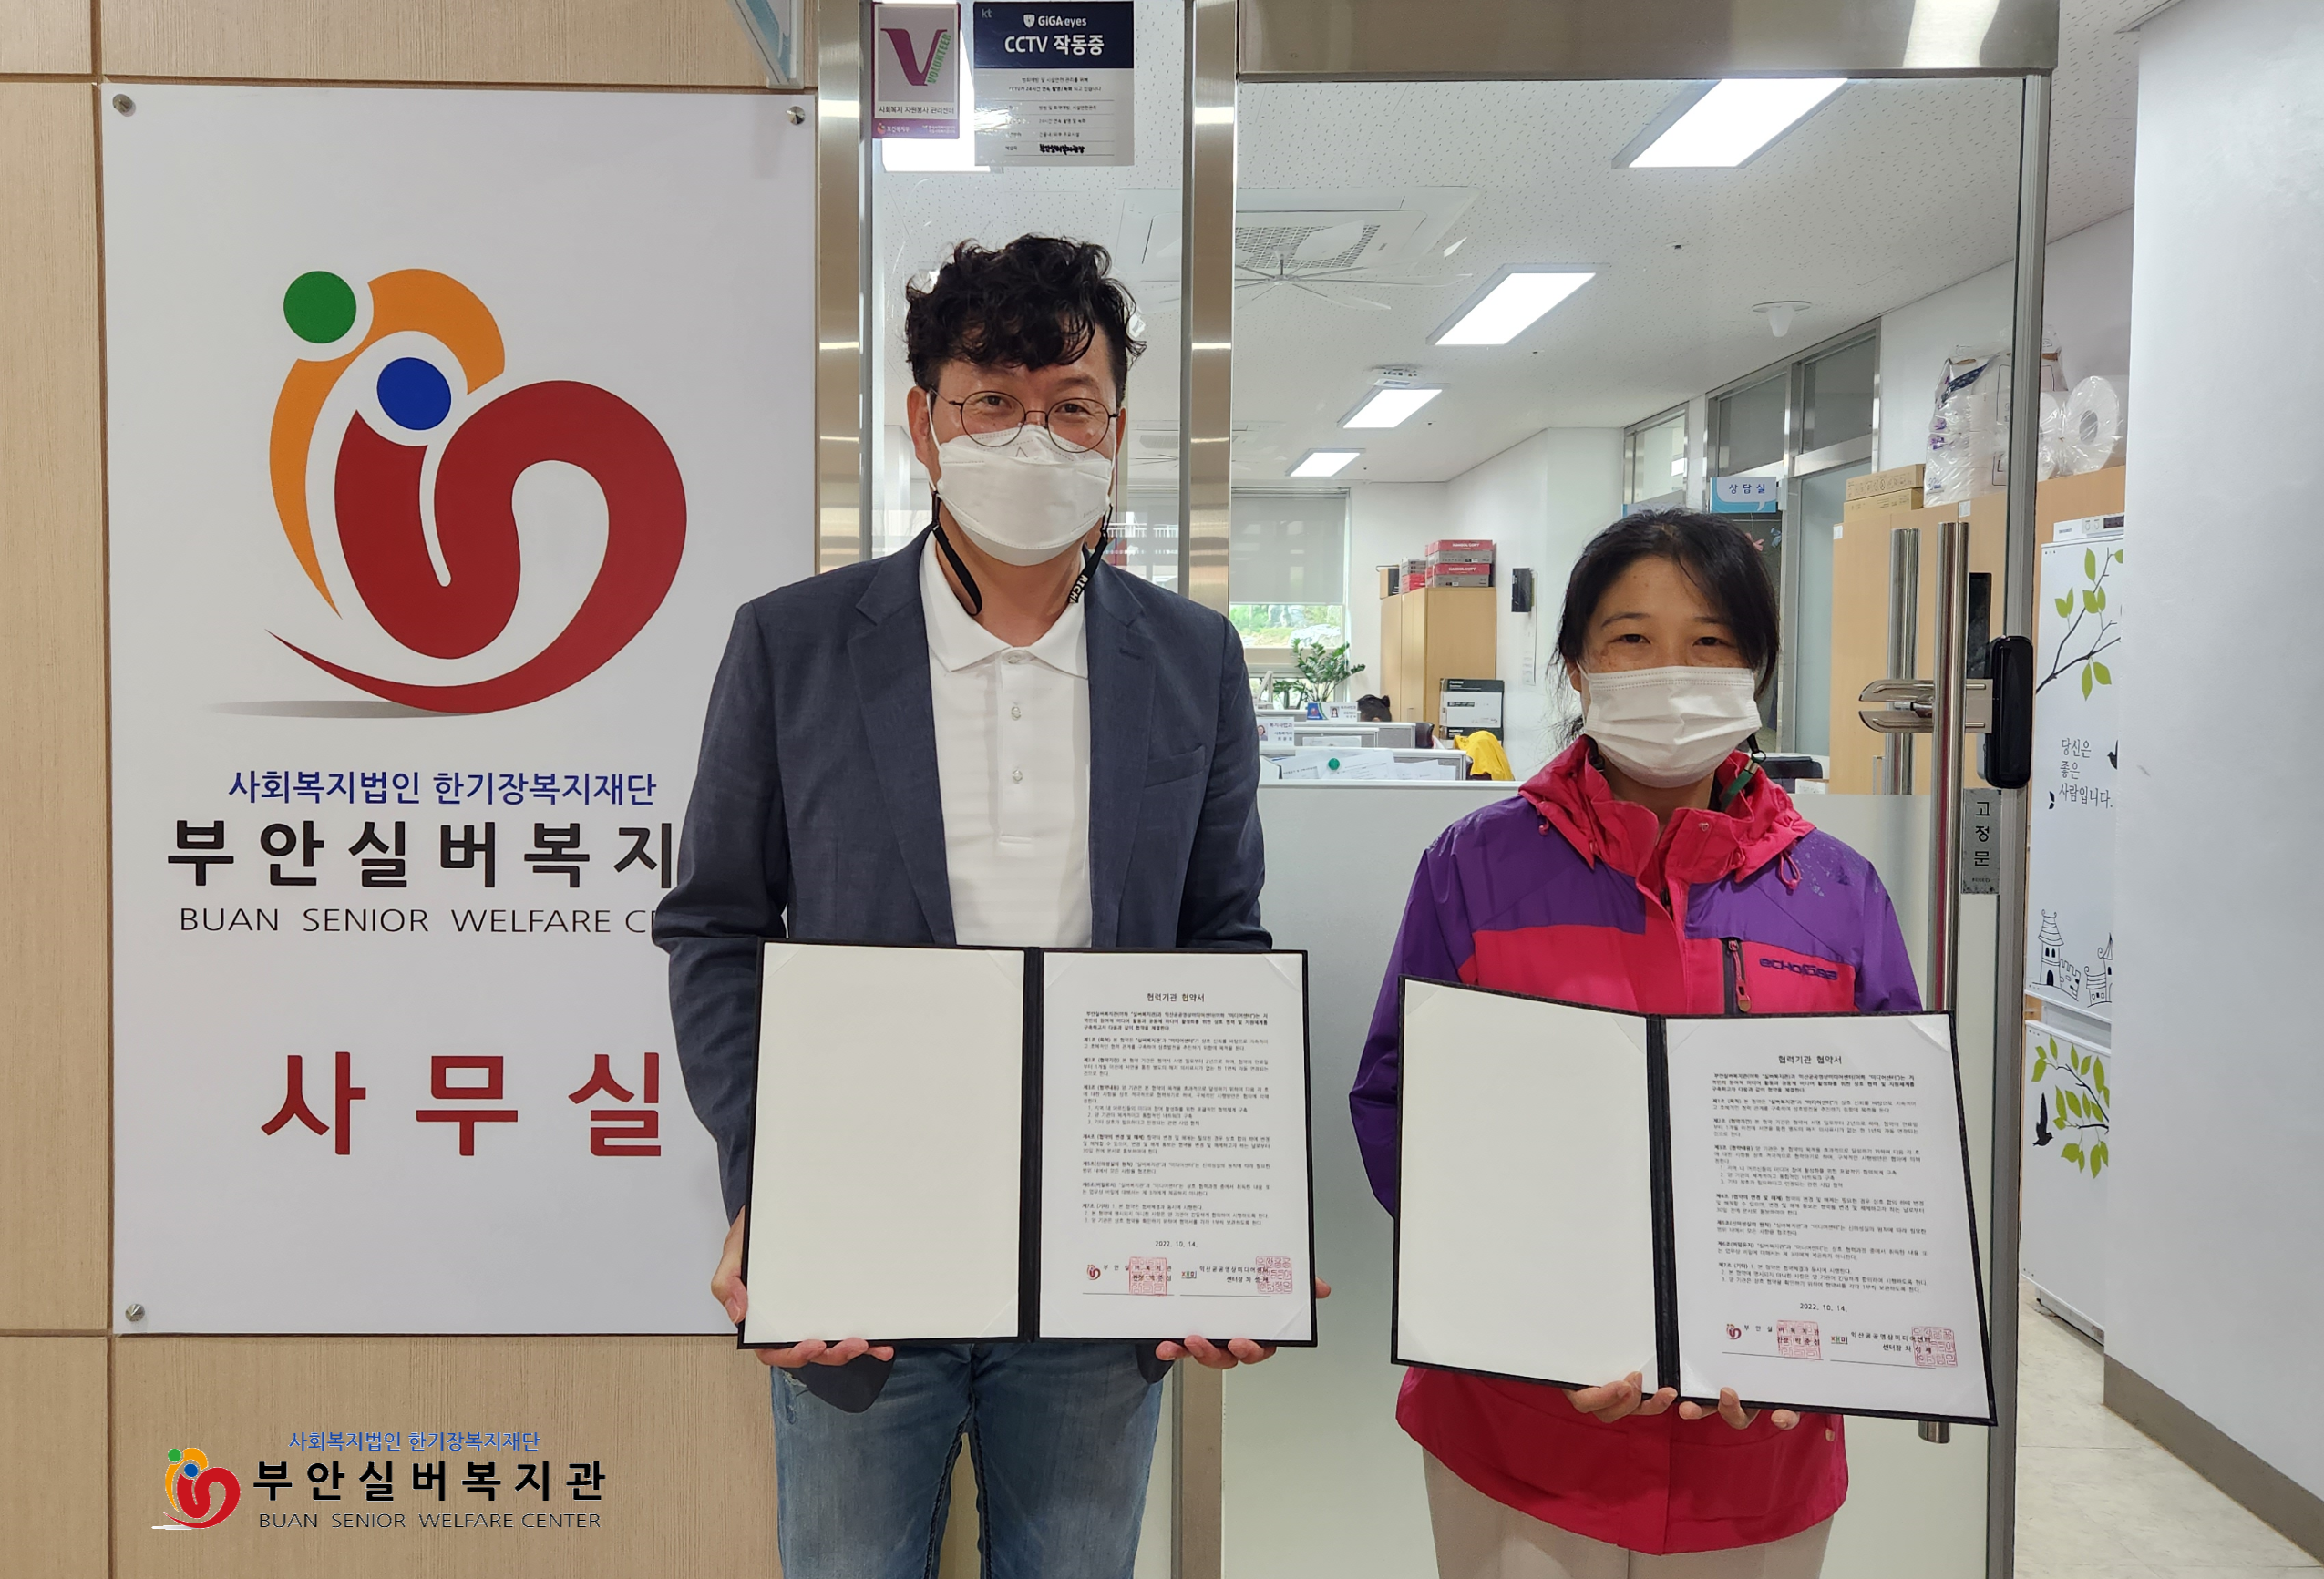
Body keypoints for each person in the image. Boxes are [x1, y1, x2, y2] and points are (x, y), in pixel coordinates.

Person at [655, 234, 1306, 1579]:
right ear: (924, 425)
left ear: (1115, 431)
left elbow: (1219, 939)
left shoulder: (1191, 657)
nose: (1032, 437)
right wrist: (772, 1181)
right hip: (861, 1230)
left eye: (1071, 406)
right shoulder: (793, 643)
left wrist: (1224, 1218)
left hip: (1101, 1247)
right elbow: (716, 925)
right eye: (991, 402)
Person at [1349, 508, 1920, 1579]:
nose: (1672, 672)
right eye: (1631, 639)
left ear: (1754, 669)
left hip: (1757, 1440)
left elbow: (1887, 1151)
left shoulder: (1837, 892)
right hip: (1521, 1426)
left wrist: (1822, 1326)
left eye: (1709, 642)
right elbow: (1400, 1105)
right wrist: (1521, 1314)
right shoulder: (1474, 867)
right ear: (1576, 663)